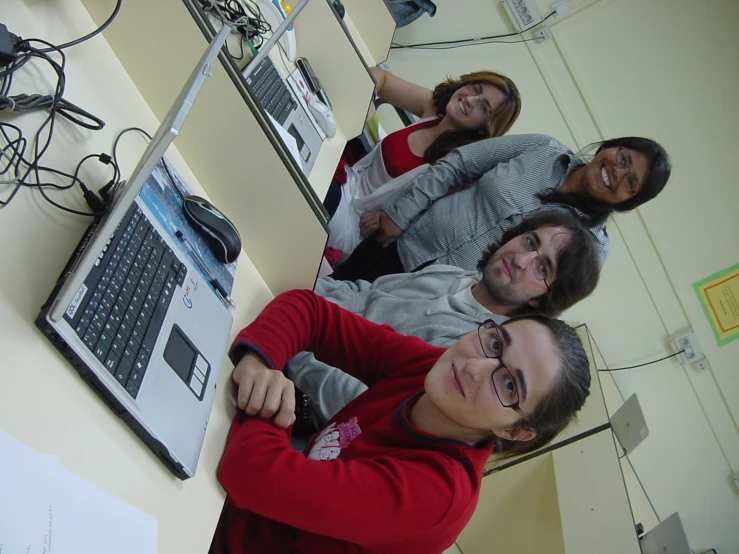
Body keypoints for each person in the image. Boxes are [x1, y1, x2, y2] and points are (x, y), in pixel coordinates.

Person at [212, 289, 591, 554]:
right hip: (225, 507)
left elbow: (249, 473)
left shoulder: (436, 495)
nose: (475, 367)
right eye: (495, 343)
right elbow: (311, 311)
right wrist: (259, 364)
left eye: (509, 384)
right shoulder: (438, 373)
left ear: (514, 431)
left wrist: (275, 403)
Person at [289, 210, 599, 426]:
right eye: (530, 242)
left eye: (542, 268)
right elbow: (362, 292)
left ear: (542, 299)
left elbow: (354, 402)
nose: (520, 259)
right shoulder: (457, 276)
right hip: (294, 324)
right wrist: (293, 285)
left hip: (296, 391)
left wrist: (293, 329)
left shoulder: (474, 350)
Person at [332, 134, 672, 283]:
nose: (617, 172)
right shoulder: (544, 148)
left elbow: (536, 297)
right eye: (623, 158)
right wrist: (400, 214)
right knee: (319, 304)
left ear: (631, 201)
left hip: (430, 303)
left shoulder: (592, 248)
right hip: (397, 246)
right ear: (610, 146)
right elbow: (458, 164)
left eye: (631, 182)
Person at [325, 66, 521, 255]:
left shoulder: (459, 167)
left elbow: (429, 224)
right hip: (346, 181)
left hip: (354, 225)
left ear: (485, 127)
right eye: (475, 89)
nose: (470, 99)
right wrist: (369, 98)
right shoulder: (435, 108)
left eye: (483, 106)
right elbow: (380, 78)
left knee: (310, 180)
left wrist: (398, 217)